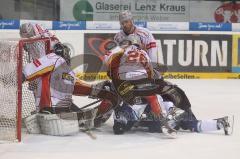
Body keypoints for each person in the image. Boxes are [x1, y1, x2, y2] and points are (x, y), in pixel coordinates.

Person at [22, 43, 118, 136]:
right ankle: (47, 116)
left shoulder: (68, 71)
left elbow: (77, 87)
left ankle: (83, 119)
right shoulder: (54, 58)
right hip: (50, 106)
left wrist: (99, 90)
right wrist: (20, 77)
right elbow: (30, 69)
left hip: (62, 107)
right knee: (88, 118)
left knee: (90, 117)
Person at [104, 34, 176, 138]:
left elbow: (108, 61)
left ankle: (119, 118)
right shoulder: (143, 53)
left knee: (117, 95)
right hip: (141, 80)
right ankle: (163, 122)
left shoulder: (120, 51)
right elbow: (149, 70)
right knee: (153, 97)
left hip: (123, 82)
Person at [112, 85, 232, 136]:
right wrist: (120, 124)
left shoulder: (155, 97)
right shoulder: (127, 104)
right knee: (191, 123)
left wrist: (171, 112)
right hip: (159, 120)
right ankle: (220, 123)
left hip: (163, 117)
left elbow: (164, 102)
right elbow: (119, 127)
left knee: (191, 123)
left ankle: (220, 123)